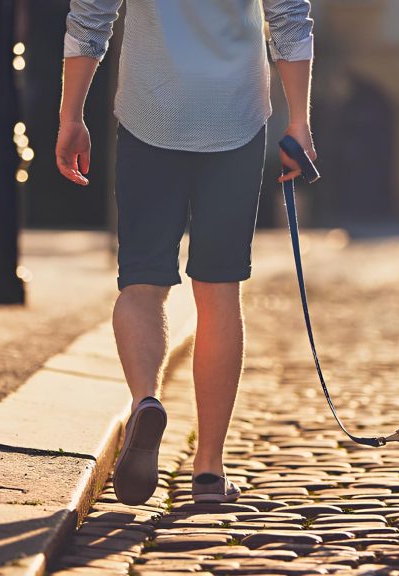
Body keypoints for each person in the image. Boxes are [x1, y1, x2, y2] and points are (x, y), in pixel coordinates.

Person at [56, 0, 316, 505]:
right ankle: (209, 469)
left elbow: (89, 20)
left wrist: (71, 116)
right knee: (219, 292)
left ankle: (145, 401)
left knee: (141, 283)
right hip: (236, 118)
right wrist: (299, 122)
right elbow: (289, 20)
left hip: (149, 115)